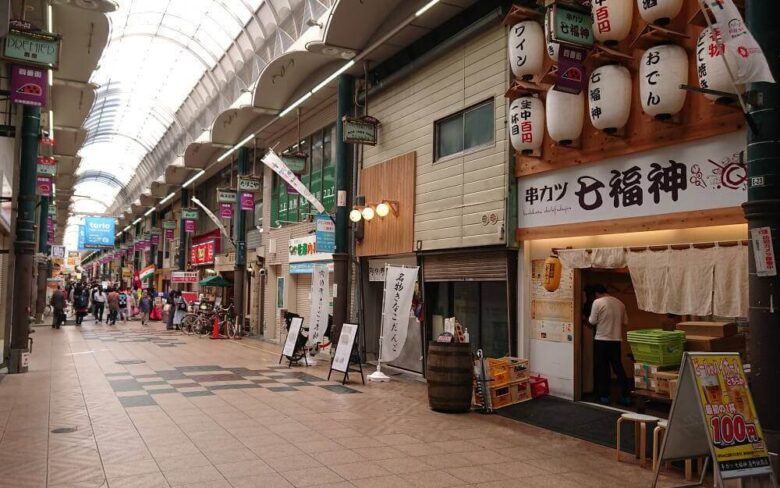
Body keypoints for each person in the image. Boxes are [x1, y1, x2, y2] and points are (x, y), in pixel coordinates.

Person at [588, 284, 631, 406]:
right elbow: (625, 322)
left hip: (602, 339)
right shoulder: (620, 303)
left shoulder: (597, 302)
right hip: (616, 340)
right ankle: (626, 396)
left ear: (596, 293)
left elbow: (592, 321)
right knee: (618, 367)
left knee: (603, 368)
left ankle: (604, 396)